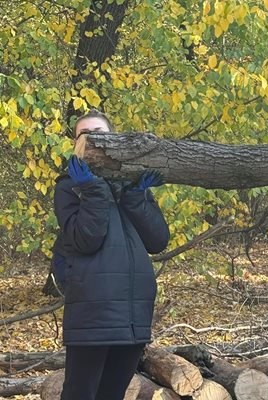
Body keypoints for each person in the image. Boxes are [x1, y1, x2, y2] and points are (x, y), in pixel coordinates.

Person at [51, 109, 170, 400]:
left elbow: (158, 240)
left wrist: (137, 197)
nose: (93, 139)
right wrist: (92, 189)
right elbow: (85, 240)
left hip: (133, 313)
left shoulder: (129, 185)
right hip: (93, 313)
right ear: (76, 142)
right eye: (85, 134)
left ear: (114, 139)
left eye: (100, 133)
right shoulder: (69, 186)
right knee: (80, 393)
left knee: (113, 393)